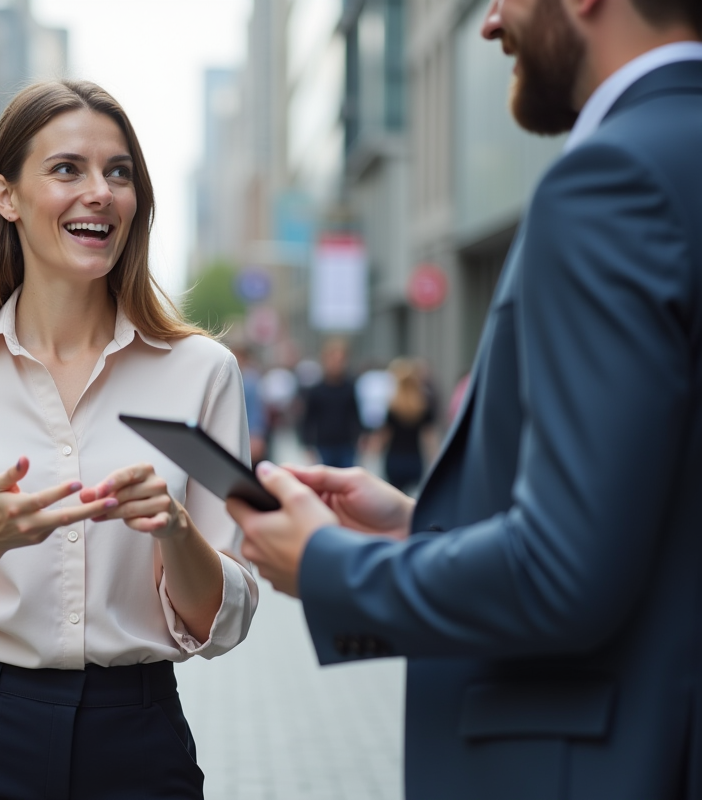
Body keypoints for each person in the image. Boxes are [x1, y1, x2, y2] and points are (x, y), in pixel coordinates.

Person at [227, 0, 702, 794]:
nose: (488, 22)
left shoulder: (612, 181)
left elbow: (563, 577)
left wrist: (329, 565)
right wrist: (424, 529)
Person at [0, 80, 258, 800]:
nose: (100, 192)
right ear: (6, 197)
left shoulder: (205, 375)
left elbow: (226, 617)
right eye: (68, 168)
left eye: (120, 172)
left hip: (139, 741)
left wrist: (174, 530)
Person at [297, 338, 362, 467]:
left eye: (340, 360)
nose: (337, 364)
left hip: (346, 444)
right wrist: (307, 445)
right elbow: (308, 419)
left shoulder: (349, 387)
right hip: (324, 445)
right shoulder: (316, 390)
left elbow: (355, 414)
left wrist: (360, 436)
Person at [375, 359, 436, 493]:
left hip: (395, 457)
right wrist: (433, 455)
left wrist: (376, 448)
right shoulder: (423, 406)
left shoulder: (393, 407)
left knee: (395, 494)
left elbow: (385, 434)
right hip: (414, 458)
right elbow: (428, 436)